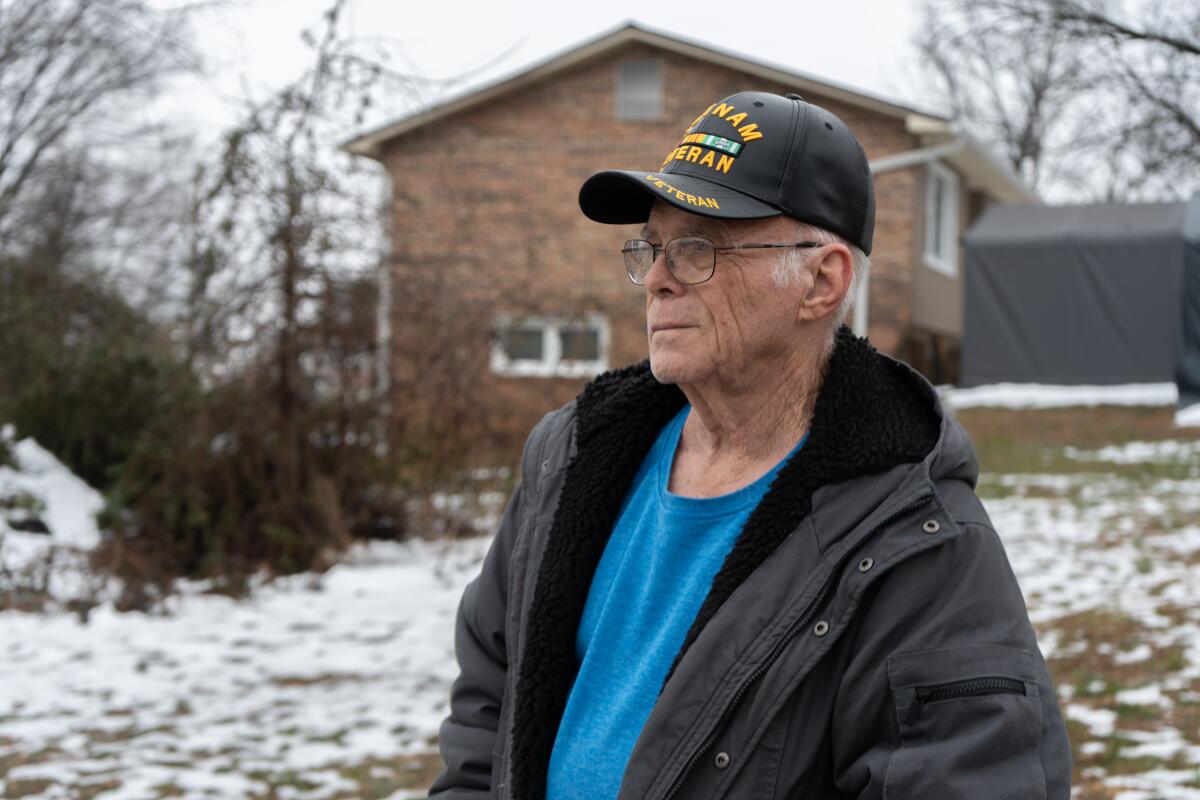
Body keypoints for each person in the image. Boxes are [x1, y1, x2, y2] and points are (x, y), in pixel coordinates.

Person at [428, 90, 1071, 800]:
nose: (660, 278)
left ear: (821, 281)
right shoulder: (571, 463)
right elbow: (489, 706)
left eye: (699, 246)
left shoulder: (916, 544)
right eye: (652, 246)